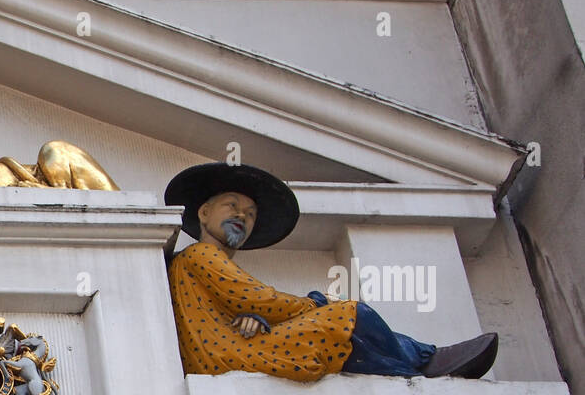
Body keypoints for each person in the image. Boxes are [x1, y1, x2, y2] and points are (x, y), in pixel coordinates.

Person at [163, 163, 497, 382]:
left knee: (347, 334)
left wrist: (256, 318)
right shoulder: (201, 254)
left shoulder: (198, 262)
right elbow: (260, 299)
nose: (242, 216)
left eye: (250, 214)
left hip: (230, 347)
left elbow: (245, 308)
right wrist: (315, 302)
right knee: (350, 315)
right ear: (204, 213)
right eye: (232, 206)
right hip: (228, 355)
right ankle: (423, 362)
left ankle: (419, 363)